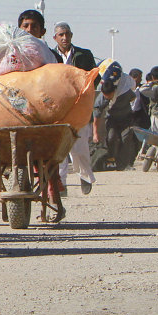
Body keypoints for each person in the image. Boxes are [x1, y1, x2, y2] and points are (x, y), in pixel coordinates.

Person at [51, 21, 97, 194]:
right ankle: (60, 184)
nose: (64, 37)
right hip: (58, 106)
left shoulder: (84, 55)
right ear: (55, 37)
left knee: (80, 146)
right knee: (59, 148)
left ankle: (85, 177)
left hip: (79, 106)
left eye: (67, 34)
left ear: (71, 35)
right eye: (61, 35)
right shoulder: (49, 55)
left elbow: (94, 77)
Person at [93, 62, 135, 170]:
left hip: (126, 117)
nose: (107, 99)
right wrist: (95, 134)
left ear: (115, 90)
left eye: (109, 97)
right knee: (111, 137)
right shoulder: (102, 98)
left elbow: (133, 98)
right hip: (112, 118)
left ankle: (124, 164)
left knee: (125, 138)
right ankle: (111, 160)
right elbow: (97, 114)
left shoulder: (126, 89)